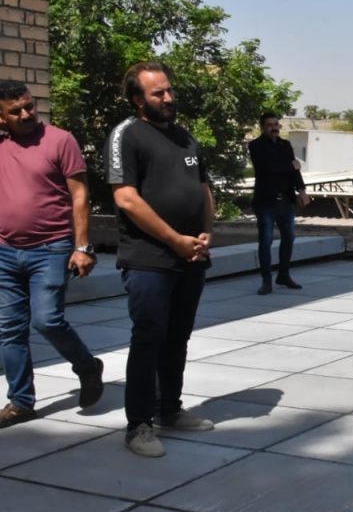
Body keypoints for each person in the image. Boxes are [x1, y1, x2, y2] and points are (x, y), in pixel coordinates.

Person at [105, 62, 216, 457]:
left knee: (177, 337)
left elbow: (203, 189)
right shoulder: (126, 135)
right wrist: (174, 240)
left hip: (192, 256)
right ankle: (139, 425)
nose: (168, 98)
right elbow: (126, 198)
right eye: (158, 93)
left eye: (169, 90)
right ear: (138, 99)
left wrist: (205, 233)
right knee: (148, 339)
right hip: (149, 258)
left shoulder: (185, 137)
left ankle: (169, 408)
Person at [0, 81, 104, 427]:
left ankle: (87, 366)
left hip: (51, 248)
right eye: (15, 111)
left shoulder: (60, 140)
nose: (26, 114)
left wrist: (83, 246)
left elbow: (79, 195)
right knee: (10, 330)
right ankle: (21, 402)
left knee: (47, 320)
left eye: (28, 106)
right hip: (5, 251)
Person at [249, 112, 310, 295]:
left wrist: (302, 190)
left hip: (286, 200)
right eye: (269, 125)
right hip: (266, 201)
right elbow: (266, 168)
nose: (274, 128)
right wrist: (290, 166)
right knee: (266, 240)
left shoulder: (285, 145)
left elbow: (295, 171)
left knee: (289, 238)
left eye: (276, 124)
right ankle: (266, 281)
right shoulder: (256, 145)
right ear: (262, 127)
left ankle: (283, 275)